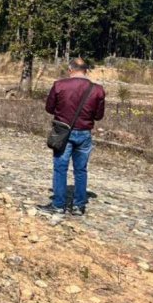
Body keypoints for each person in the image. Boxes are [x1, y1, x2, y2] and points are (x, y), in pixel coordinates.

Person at [38, 58, 106, 216]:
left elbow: (49, 108)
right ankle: (79, 206)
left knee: (60, 168)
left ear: (70, 70)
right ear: (86, 71)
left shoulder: (59, 85)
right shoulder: (98, 90)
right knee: (81, 170)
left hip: (63, 132)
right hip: (84, 133)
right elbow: (98, 115)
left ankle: (58, 205)